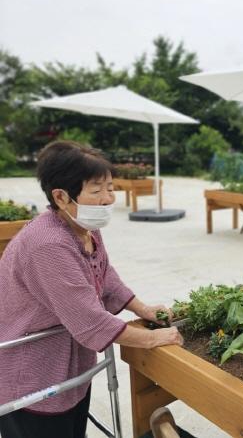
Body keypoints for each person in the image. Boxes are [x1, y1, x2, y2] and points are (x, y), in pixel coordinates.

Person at [0, 141, 183, 438]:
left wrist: (143, 309)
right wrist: (152, 338)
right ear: (61, 196)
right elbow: (90, 322)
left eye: (110, 188)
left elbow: (105, 275)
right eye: (97, 191)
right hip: (34, 376)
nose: (109, 198)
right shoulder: (47, 245)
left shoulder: (84, 226)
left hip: (70, 367)